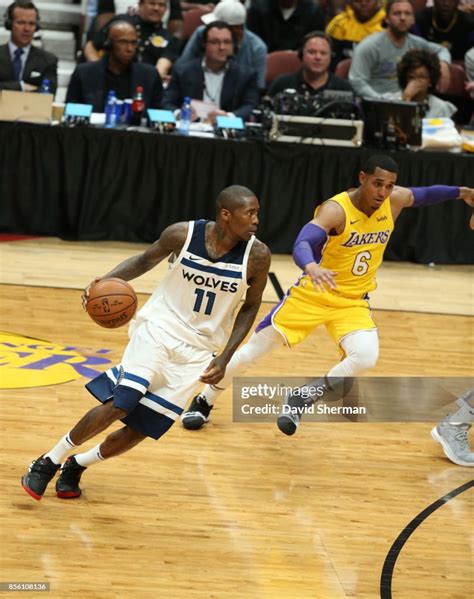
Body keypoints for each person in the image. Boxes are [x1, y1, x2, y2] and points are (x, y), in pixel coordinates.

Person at [180, 155, 474, 435]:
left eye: (389, 185)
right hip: (313, 294)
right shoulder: (336, 209)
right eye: (377, 183)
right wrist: (310, 266)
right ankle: (205, 400)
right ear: (363, 178)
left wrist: (461, 192)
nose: (383, 192)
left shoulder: (394, 199)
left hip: (353, 302)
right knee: (250, 354)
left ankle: (303, 396)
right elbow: (304, 241)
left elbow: (425, 195)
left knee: (366, 357)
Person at [20, 185, 270, 501]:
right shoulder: (183, 234)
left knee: (140, 428)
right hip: (158, 329)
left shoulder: (257, 256)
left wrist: (224, 357)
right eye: (250, 213)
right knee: (122, 401)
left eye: (257, 213)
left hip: (198, 352)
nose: (256, 220)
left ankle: (77, 464)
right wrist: (103, 282)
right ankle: (48, 461)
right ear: (225, 214)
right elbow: (143, 260)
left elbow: (250, 306)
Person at [349, 0, 452, 99]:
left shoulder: (416, 43)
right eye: (397, 13)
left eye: (407, 14)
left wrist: (444, 64)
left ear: (413, 20)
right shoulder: (369, 46)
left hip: (411, 101)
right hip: (378, 103)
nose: (403, 18)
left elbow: (441, 50)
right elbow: (357, 82)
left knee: (441, 107)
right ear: (386, 18)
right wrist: (381, 99)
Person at [162, 21, 260, 123]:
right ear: (204, 44)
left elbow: (250, 107)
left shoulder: (246, 75)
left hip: (226, 133)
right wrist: (180, 114)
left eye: (227, 42)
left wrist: (228, 117)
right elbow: (166, 102)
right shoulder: (182, 71)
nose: (222, 47)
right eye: (215, 42)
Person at [66, 20, 163, 112]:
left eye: (133, 43)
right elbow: (70, 111)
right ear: (109, 44)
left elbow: (158, 114)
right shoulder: (84, 73)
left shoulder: (149, 75)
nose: (130, 49)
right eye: (123, 42)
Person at [177, 0, 268, 90]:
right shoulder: (201, 33)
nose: (211, 29)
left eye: (217, 26)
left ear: (237, 29)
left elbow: (257, 88)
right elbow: (181, 67)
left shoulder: (257, 48)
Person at [84, 0, 181, 79]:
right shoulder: (121, 22)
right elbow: (90, 46)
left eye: (161, 5)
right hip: (108, 75)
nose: (156, 8)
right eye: (152, 3)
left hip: (141, 82)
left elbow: (161, 69)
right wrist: (97, 68)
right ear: (140, 4)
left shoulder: (168, 38)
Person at [268, 31, 353, 97]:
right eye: (312, 52)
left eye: (323, 53)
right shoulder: (282, 84)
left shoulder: (344, 88)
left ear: (330, 57)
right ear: (302, 55)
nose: (318, 57)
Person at [0, 0, 58, 94]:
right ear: (9, 24)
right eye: (21, 22)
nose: (27, 29)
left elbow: (48, 93)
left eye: (31, 24)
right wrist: (21, 86)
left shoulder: (48, 60)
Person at [386, 48, 457, 118]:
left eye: (421, 77)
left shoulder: (440, 107)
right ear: (405, 79)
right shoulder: (390, 101)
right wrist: (406, 98)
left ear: (430, 81)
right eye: (411, 77)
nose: (416, 81)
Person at [246, 0, 326, 53]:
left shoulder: (314, 12)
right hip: (265, 62)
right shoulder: (258, 10)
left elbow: (316, 45)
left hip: (302, 65)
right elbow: (253, 44)